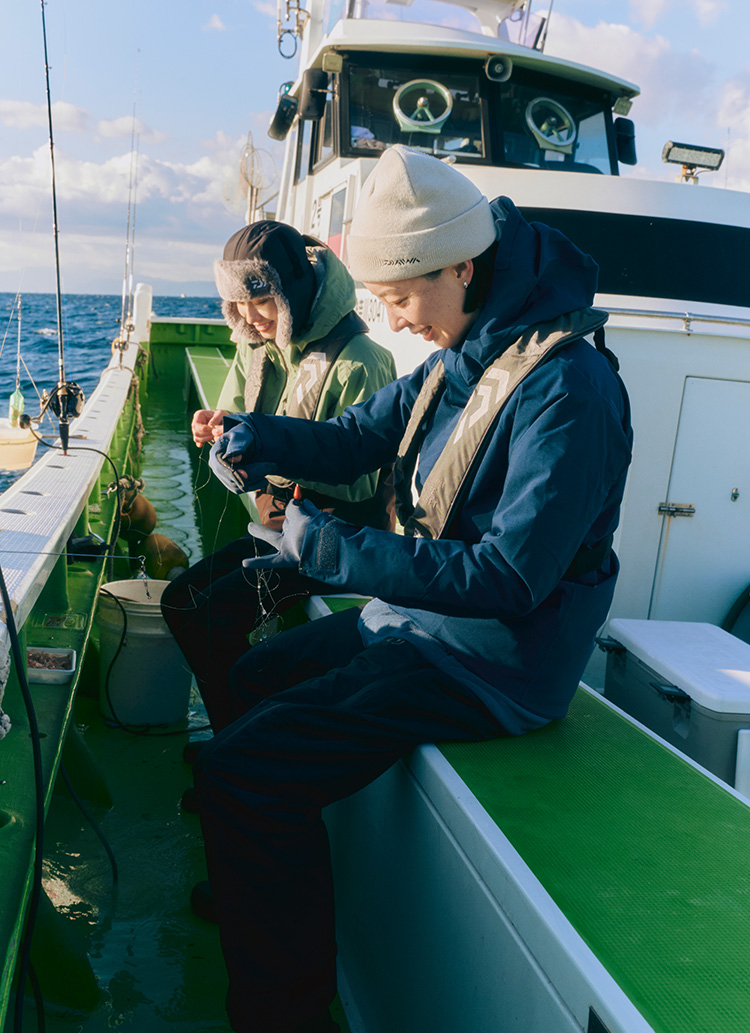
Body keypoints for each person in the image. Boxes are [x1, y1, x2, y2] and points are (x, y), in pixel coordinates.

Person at [193, 146, 633, 1033]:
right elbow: (357, 439)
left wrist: (324, 544)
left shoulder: (570, 387)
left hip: (494, 662)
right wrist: (257, 433)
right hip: (421, 621)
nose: (392, 319)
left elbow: (512, 578)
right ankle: (261, 894)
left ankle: (282, 1011)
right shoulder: (465, 347)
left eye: (398, 298)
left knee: (246, 771)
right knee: (251, 684)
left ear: (462, 266)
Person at [161, 221, 397, 736]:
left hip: (338, 540)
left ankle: (235, 746)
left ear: (292, 289)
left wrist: (268, 466)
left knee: (211, 616)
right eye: (238, 305)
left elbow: (359, 485)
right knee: (179, 600)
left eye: (261, 299)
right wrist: (213, 428)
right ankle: (235, 739)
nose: (250, 317)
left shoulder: (361, 360)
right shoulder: (259, 347)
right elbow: (233, 419)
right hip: (279, 529)